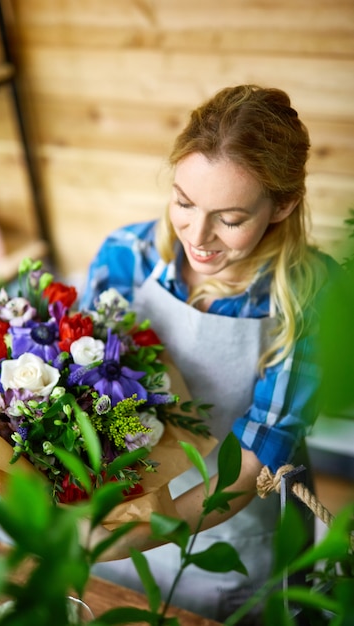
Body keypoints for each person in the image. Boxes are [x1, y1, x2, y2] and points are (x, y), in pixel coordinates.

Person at [79, 85, 341, 624]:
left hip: (225, 533)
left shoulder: (306, 296)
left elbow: (249, 466)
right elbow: (76, 390)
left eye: (230, 218)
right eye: (183, 202)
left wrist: (138, 532)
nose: (198, 237)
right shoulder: (127, 256)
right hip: (111, 513)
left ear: (283, 204)